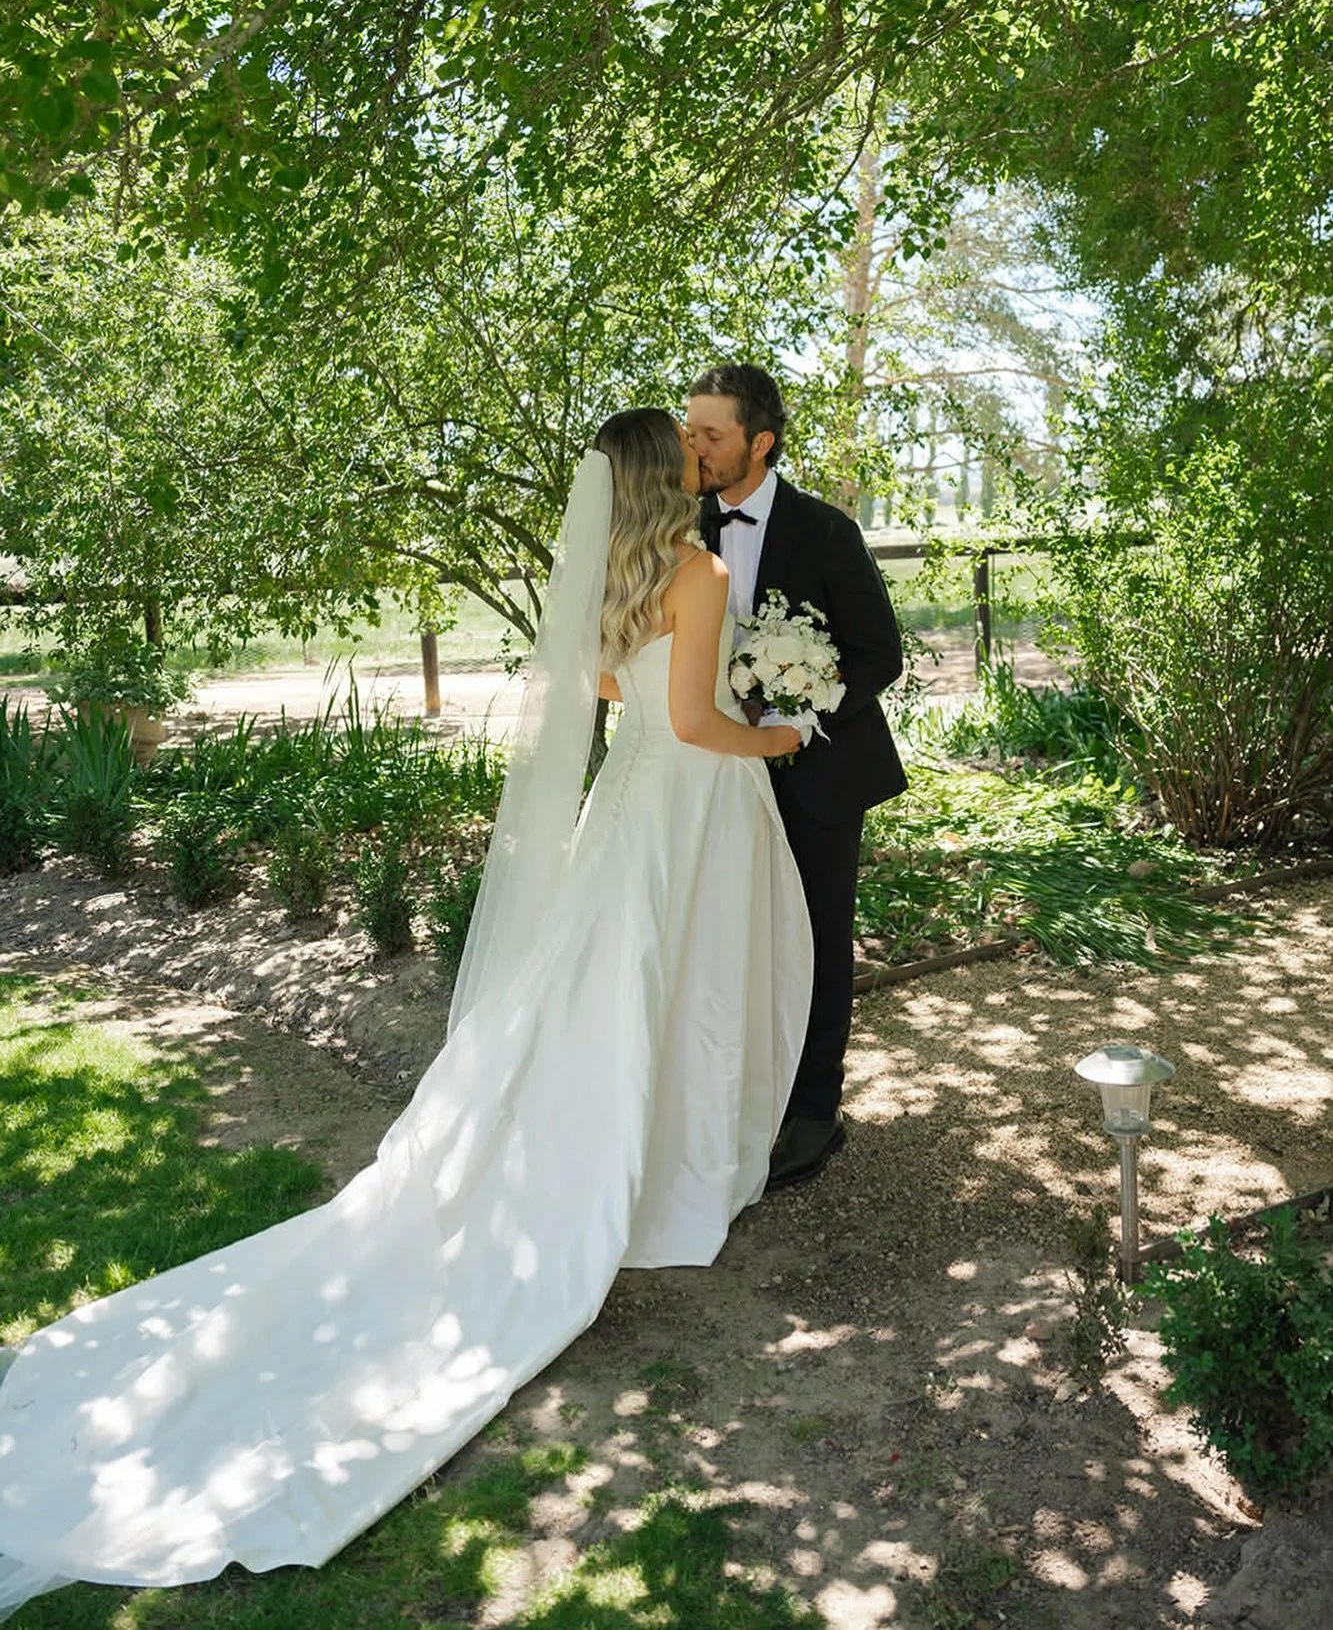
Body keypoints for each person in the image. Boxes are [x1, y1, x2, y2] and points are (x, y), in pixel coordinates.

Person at [0, 409, 812, 1621]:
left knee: (606, 991)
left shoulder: (620, 574)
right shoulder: (694, 572)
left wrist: (691, 692)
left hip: (629, 804)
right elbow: (696, 723)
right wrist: (780, 730)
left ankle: (620, 1154)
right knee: (672, 989)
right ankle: (663, 1170)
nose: (703, 457)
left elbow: (613, 686)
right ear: (666, 476)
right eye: (687, 450)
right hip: (687, 800)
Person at [686, 364, 906, 1190]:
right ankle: (738, 1097)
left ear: (759, 443)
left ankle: (814, 1111)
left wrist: (802, 713)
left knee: (815, 939)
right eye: (690, 431)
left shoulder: (826, 531)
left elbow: (878, 654)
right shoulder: (678, 527)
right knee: (726, 933)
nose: (694, 447)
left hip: (820, 772)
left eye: (710, 435)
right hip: (712, 775)